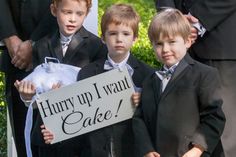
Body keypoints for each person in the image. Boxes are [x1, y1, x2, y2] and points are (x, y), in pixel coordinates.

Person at [39, 3, 153, 157]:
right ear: (103, 38)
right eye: (112, 34)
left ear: (135, 39)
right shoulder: (87, 73)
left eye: (126, 34)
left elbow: (154, 118)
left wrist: (144, 101)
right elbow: (76, 117)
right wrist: (56, 131)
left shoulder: (147, 75)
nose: (119, 39)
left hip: (130, 149)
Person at [14, 0, 107, 156]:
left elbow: (99, 94)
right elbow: (38, 92)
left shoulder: (96, 46)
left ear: (87, 13)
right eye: (67, 12)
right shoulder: (41, 45)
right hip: (46, 136)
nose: (73, 19)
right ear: (53, 10)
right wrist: (27, 97)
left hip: (80, 139)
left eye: (79, 13)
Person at [132, 9, 225, 157]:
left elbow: (214, 117)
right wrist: (147, 149)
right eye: (159, 44)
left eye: (172, 42)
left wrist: (197, 149)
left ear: (187, 41)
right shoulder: (150, 80)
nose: (165, 49)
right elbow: (139, 118)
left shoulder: (205, 74)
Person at [155, 0, 236, 156]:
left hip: (219, 46)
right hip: (177, 47)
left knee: (224, 135)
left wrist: (198, 20)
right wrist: (174, 24)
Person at [0, 0, 57, 156]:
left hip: (57, 49)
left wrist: (35, 43)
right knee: (25, 145)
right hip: (16, 58)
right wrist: (9, 37)